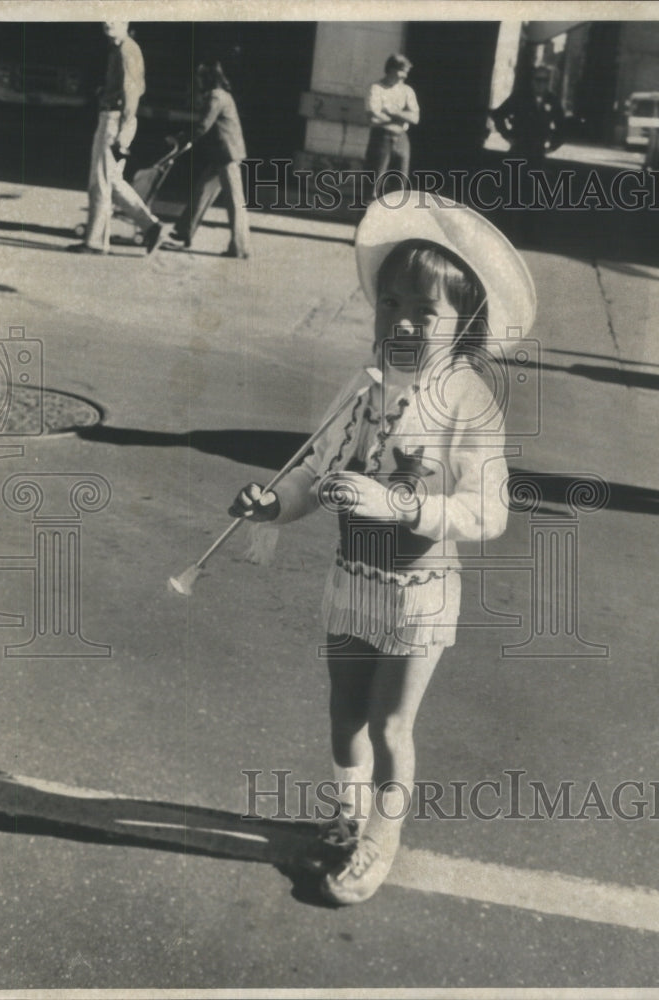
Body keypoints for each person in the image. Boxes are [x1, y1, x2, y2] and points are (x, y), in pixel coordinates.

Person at [229, 190, 536, 905]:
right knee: (344, 715)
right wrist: (275, 505)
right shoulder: (361, 388)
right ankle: (347, 813)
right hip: (352, 580)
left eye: (423, 312)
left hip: (416, 594)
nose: (401, 320)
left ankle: (379, 843)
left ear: (464, 326)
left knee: (391, 726)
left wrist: (396, 502)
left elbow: (488, 512)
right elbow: (311, 473)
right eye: (390, 302)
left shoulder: (468, 402)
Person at [68, 21, 164, 255]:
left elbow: (131, 92)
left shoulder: (125, 50)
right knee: (111, 180)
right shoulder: (121, 48)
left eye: (115, 19)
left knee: (100, 180)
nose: (107, 23)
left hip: (115, 119)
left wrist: (123, 128)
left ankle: (94, 241)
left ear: (126, 22)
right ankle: (150, 226)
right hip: (116, 117)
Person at [168, 60, 250, 258]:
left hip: (227, 155)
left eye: (199, 78)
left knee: (234, 202)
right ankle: (183, 232)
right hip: (222, 154)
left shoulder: (216, 97)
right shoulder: (221, 95)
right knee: (202, 191)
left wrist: (183, 139)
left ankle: (240, 248)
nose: (197, 82)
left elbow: (203, 126)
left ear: (208, 79)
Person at [363, 54, 420, 198]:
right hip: (381, 138)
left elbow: (415, 118)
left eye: (406, 72)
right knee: (374, 185)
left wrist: (392, 111)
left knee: (400, 187)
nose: (405, 76)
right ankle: (368, 218)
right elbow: (373, 117)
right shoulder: (376, 88)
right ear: (391, 69)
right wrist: (402, 117)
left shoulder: (408, 91)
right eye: (402, 71)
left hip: (402, 139)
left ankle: (394, 220)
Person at [488, 64, 565, 167]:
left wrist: (553, 146)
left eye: (545, 80)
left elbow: (562, 125)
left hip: (538, 152)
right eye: (538, 80)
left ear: (548, 82)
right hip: (518, 149)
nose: (541, 84)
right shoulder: (520, 97)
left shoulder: (552, 100)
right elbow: (498, 114)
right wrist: (507, 135)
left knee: (534, 179)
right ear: (533, 81)